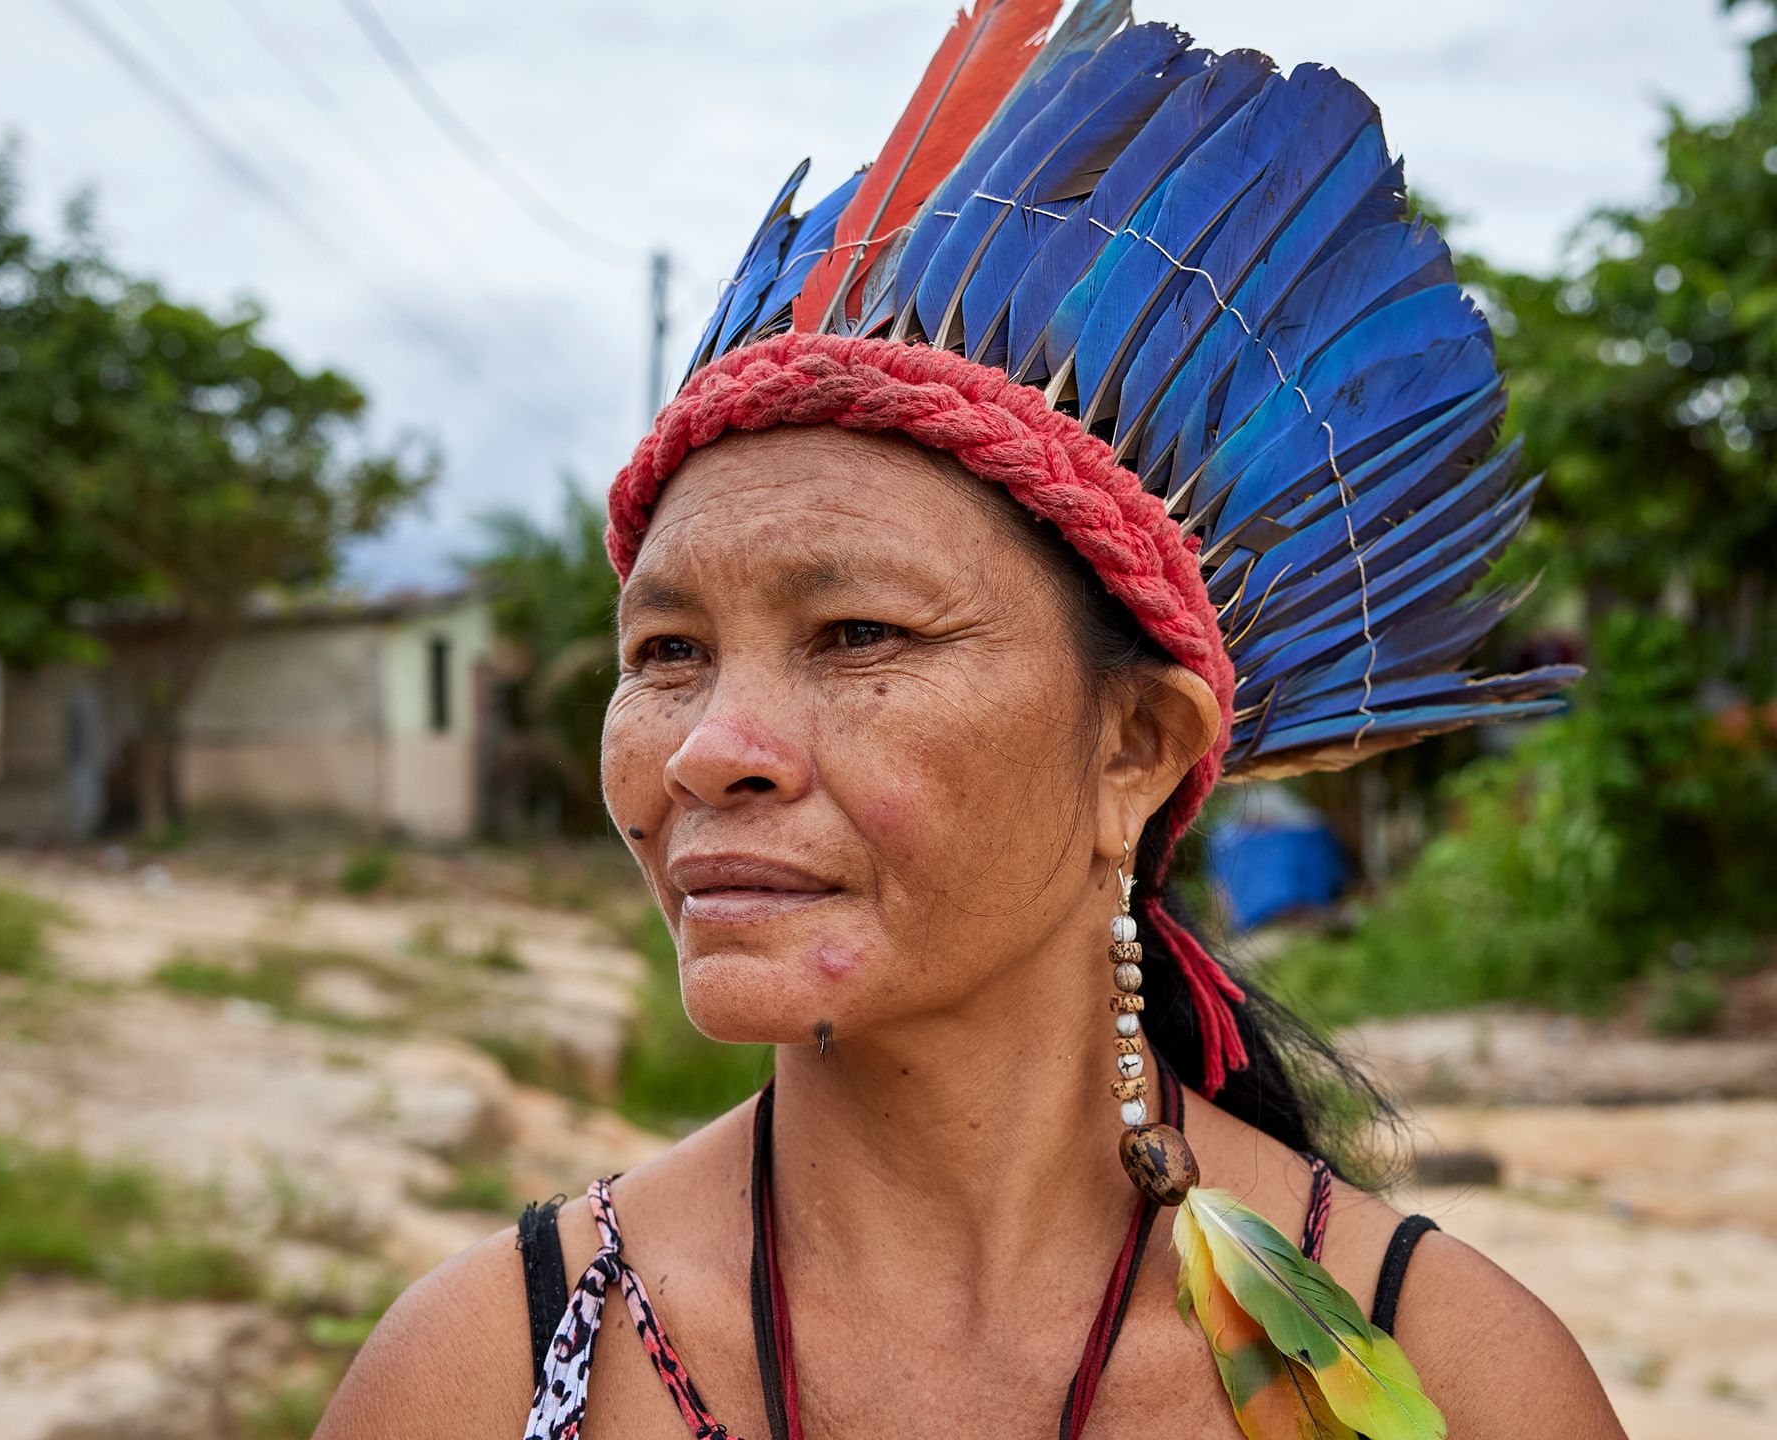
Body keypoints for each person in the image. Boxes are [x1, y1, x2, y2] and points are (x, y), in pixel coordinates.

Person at [319, 3, 1621, 1436]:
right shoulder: (485, 1373)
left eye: (859, 634)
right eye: (670, 649)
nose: (705, 748)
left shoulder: (1450, 1377)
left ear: (1137, 749)